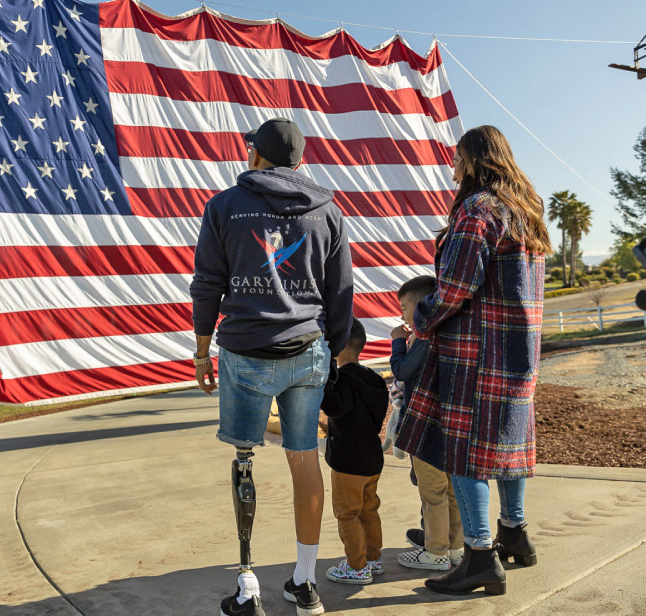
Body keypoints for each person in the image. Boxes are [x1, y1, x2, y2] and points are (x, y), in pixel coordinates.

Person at [190, 117, 353, 616]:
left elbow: (207, 284)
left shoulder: (224, 206)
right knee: (304, 459)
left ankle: (247, 585)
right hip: (308, 350)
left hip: (245, 352)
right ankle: (305, 583)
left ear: (256, 154)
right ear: (299, 161)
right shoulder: (328, 211)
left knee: (244, 460)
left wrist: (201, 351)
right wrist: (336, 352)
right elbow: (341, 292)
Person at [395, 125, 549, 595]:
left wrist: (421, 320)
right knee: (509, 445)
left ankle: (480, 556)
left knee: (465, 454)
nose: (453, 166)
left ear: (474, 159)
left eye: (457, 157)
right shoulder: (528, 210)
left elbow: (456, 286)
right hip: (519, 352)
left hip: (475, 355)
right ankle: (515, 534)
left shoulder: (478, 210)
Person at [389, 276, 464, 573]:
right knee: (451, 491)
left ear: (421, 307)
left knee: (432, 492)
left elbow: (403, 371)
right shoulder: (447, 332)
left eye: (404, 307)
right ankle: (456, 548)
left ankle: (435, 552)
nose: (402, 315)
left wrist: (397, 341)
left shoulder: (424, 335)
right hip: (449, 424)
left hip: (426, 426)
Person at [320, 319, 388, 585]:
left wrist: (325, 378)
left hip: (348, 461)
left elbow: (334, 406)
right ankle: (373, 558)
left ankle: (357, 567)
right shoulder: (373, 379)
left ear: (336, 346)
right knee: (369, 509)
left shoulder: (342, 380)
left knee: (347, 513)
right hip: (372, 457)